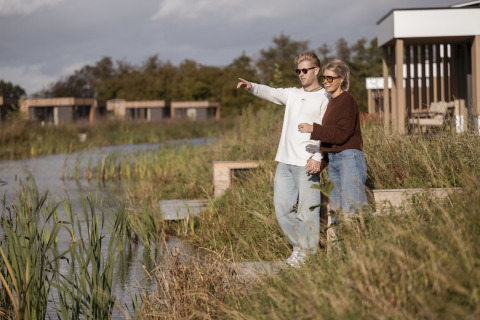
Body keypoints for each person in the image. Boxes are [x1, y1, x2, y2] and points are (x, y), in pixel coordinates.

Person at [237, 52, 329, 267]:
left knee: (308, 213)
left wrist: (318, 157)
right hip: (285, 162)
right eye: (298, 71)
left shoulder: (325, 97)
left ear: (317, 70)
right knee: (282, 208)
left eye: (305, 70)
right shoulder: (293, 94)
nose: (301, 74)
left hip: (308, 162)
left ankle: (308, 256)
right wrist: (252, 87)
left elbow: (328, 130)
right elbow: (272, 92)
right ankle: (301, 247)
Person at [298, 59, 368, 219]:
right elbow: (331, 138)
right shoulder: (330, 102)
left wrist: (313, 129)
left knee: (353, 210)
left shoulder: (347, 100)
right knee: (336, 212)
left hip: (349, 158)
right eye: (324, 78)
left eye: (330, 78)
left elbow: (342, 133)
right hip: (334, 161)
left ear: (341, 79)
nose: (326, 82)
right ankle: (341, 243)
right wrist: (320, 162)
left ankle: (361, 243)